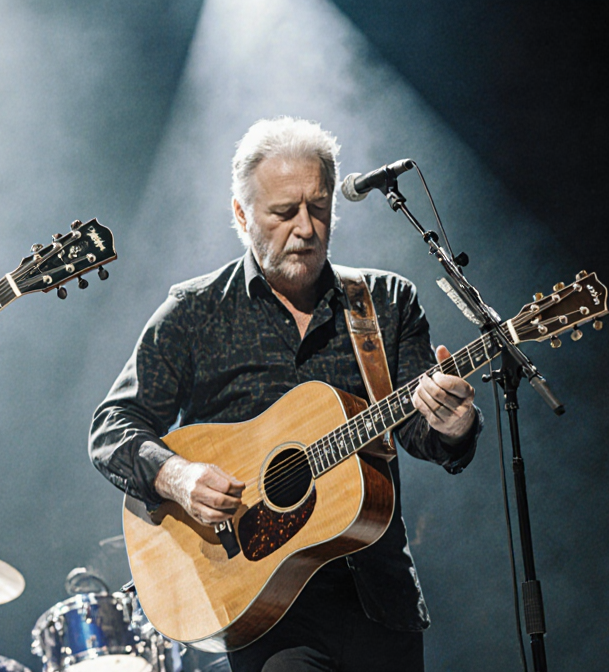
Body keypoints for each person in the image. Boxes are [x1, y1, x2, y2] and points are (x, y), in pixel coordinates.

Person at [88, 117, 481, 672]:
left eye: (318, 208)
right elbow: (112, 428)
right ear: (241, 214)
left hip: (378, 594)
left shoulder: (385, 301)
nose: (306, 229)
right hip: (262, 608)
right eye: (283, 212)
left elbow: (420, 433)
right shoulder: (194, 311)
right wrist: (178, 476)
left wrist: (453, 423)